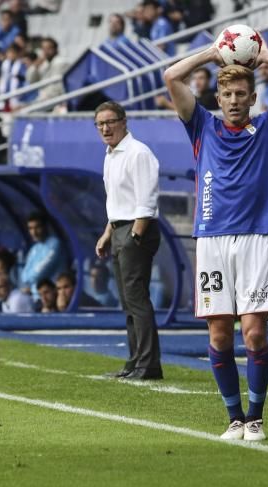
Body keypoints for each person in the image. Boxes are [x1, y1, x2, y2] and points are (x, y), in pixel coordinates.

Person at [163, 35, 268, 440]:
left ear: (252, 97)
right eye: (227, 93)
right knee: (218, 333)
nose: (233, 100)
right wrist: (212, 53)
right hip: (211, 241)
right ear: (218, 95)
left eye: (241, 93)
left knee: (255, 333)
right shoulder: (201, 125)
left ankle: (256, 416)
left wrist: (265, 56)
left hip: (255, 238)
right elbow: (171, 75)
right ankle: (233, 418)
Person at [93, 100, 163, 382]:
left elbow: (146, 199)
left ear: (123, 121)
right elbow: (116, 200)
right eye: (100, 124)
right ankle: (136, 360)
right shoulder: (110, 155)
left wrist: (134, 235)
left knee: (137, 299)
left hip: (137, 229)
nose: (106, 128)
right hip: (120, 226)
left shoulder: (138, 153)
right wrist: (108, 233)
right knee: (128, 302)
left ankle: (148, 364)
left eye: (110, 122)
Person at [19, 211, 65, 293]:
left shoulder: (55, 244)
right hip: (37, 294)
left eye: (37, 227)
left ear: (45, 227)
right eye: (30, 228)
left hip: (53, 294)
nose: (34, 232)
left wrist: (30, 285)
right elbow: (24, 275)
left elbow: (39, 274)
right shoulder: (35, 248)